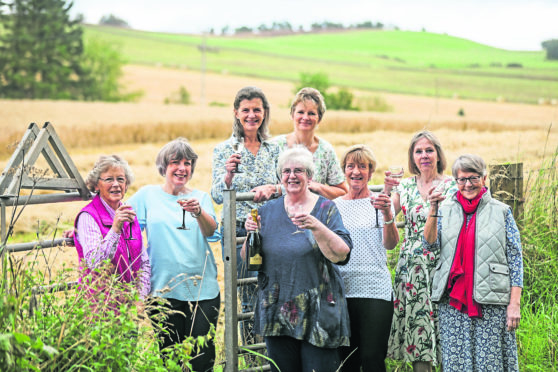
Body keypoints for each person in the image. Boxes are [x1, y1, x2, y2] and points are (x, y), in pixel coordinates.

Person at [243, 146, 353, 372]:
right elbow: (247, 258)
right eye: (286, 171)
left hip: (319, 310)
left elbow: (342, 253)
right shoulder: (266, 211)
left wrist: (316, 226)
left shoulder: (325, 208)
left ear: (309, 176)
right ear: (280, 176)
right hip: (277, 309)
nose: (291, 176)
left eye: (298, 170)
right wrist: (250, 234)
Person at [424, 154, 523, 371]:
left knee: (490, 364)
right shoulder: (445, 209)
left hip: (491, 302)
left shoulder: (502, 211)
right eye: (462, 179)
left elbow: (516, 259)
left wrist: (514, 304)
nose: (468, 184)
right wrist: (433, 210)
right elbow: (429, 246)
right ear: (455, 181)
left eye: (473, 178)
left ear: (484, 178)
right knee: (457, 364)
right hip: (452, 303)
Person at [128, 138, 220, 372]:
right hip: (162, 290)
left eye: (187, 163)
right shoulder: (147, 196)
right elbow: (120, 222)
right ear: (163, 166)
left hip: (202, 290)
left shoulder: (201, 197)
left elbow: (211, 232)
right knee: (170, 360)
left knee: (203, 358)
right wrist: (80, 226)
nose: (182, 168)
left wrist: (198, 212)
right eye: (175, 162)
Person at [211, 86, 281, 345]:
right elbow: (217, 196)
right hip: (239, 231)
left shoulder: (274, 149)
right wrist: (228, 175)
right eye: (246, 110)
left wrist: (274, 189)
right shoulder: (224, 150)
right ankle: (253, 356)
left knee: (273, 289)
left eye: (257, 110)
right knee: (248, 295)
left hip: (271, 230)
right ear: (236, 113)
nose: (252, 115)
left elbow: (284, 189)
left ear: (264, 113)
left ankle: (274, 353)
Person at [384, 130, 457, 372]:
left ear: (438, 154)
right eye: (418, 151)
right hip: (412, 270)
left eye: (429, 150)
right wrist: (385, 191)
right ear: (412, 157)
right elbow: (386, 214)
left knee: (447, 332)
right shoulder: (404, 186)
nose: (424, 155)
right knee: (419, 332)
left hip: (444, 266)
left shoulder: (453, 186)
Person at [333, 145, 399, 372]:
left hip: (374, 290)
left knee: (372, 358)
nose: (356, 171)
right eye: (351, 166)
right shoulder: (334, 207)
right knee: (346, 360)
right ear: (344, 170)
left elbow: (390, 244)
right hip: (343, 290)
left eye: (363, 166)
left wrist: (388, 214)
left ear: (371, 172)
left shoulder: (380, 203)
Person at [73, 155, 150, 300]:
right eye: (109, 179)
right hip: (99, 307)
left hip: (128, 307)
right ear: (96, 185)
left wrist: (140, 299)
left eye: (120, 179)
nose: (116, 184)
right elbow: (95, 263)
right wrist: (115, 229)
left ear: (126, 185)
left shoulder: (129, 215)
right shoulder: (88, 217)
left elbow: (143, 263)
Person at [272, 87, 348, 200]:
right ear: (292, 115)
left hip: (314, 215)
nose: (305, 117)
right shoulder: (274, 146)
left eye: (311, 113)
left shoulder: (326, 150)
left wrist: (318, 187)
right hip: (279, 214)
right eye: (301, 112)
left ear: (319, 118)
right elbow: (263, 187)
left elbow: (343, 192)